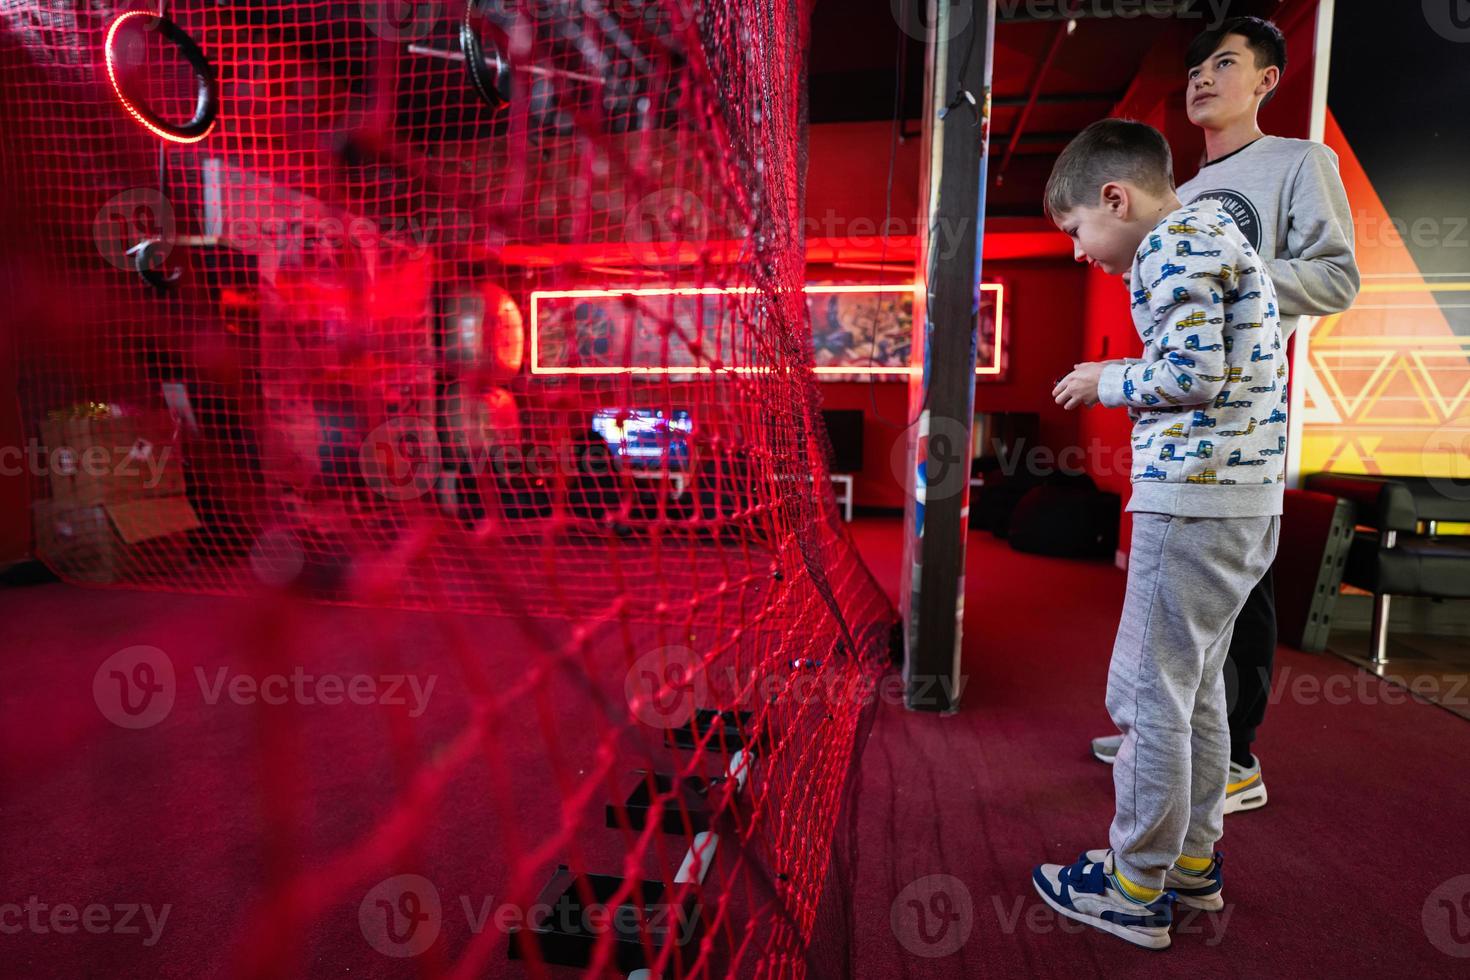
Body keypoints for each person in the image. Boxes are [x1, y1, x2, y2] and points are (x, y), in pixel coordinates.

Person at [1087, 17, 1360, 815]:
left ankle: (1238, 757)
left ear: (1267, 80)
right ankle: (1171, 737)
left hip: (1243, 412)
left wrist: (1232, 275)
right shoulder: (1183, 192)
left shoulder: (1300, 162)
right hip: (1180, 420)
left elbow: (1337, 279)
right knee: (1179, 612)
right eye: (1197, 65)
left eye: (1227, 63)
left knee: (1243, 592)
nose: (1204, 77)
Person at [1031, 118, 1285, 949]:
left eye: (1076, 230)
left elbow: (1189, 373)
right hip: (1245, 503)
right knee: (1196, 690)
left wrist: (1106, 377)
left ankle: (1134, 882)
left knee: (1147, 694)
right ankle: (1191, 864)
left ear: (1116, 197)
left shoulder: (1171, 243)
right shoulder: (1214, 233)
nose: (1078, 250)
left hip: (1194, 499)